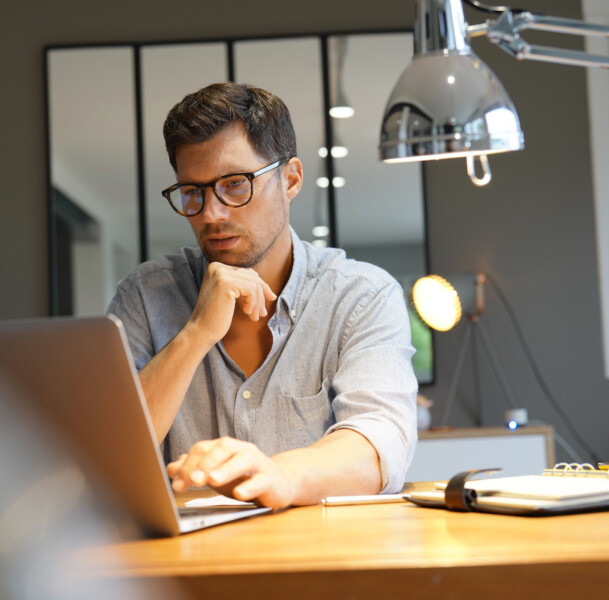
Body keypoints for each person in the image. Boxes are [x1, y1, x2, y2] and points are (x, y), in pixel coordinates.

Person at [108, 82, 418, 509]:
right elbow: (108, 457)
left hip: (322, 558)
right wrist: (195, 333)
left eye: (235, 184)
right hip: (183, 566)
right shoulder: (144, 296)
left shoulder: (360, 296)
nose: (212, 214)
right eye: (193, 193)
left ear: (290, 179)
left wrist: (279, 475)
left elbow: (380, 442)